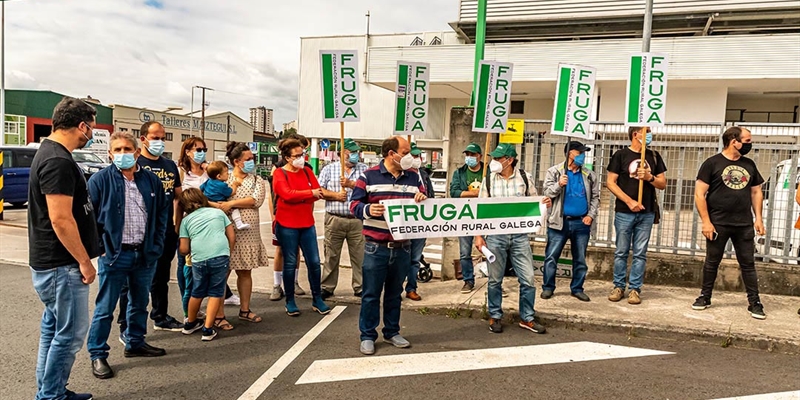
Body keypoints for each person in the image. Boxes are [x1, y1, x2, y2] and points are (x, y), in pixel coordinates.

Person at [28, 97, 100, 400]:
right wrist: (84, 261)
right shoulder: (57, 160)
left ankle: (50, 391)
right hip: (61, 265)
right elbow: (60, 219)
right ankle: (52, 396)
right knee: (69, 335)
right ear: (82, 126)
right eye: (91, 128)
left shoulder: (51, 153)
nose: (91, 134)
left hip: (51, 264)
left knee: (53, 330)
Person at [86, 132, 169, 379]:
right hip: (114, 254)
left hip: (144, 254)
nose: (123, 154)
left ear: (136, 152)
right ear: (110, 154)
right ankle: (98, 354)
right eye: (118, 150)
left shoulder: (151, 181)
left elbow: (161, 214)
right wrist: (101, 247)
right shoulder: (99, 181)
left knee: (139, 302)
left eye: (127, 149)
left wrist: (156, 244)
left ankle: (135, 342)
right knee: (105, 307)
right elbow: (90, 220)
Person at [350, 136, 427, 356]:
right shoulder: (368, 176)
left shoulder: (413, 177)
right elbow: (354, 204)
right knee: (371, 294)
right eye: (405, 152)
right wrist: (367, 210)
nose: (409, 157)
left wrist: (422, 197)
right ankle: (367, 335)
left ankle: (392, 331)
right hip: (376, 247)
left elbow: (425, 199)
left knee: (395, 293)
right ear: (391, 154)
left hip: (402, 246)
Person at [117, 121, 183, 342]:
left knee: (161, 277)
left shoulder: (170, 165)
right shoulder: (136, 164)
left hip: (164, 232)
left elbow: (178, 195)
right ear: (143, 139)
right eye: (155, 137)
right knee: (132, 281)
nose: (160, 142)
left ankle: (160, 315)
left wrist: (176, 224)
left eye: (163, 137)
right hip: (137, 233)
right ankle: (125, 325)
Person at [692, 127, 767, 319]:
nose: (750, 145)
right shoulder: (712, 163)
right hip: (718, 223)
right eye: (747, 141)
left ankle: (754, 302)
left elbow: (756, 191)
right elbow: (700, 194)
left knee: (748, 263)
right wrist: (706, 222)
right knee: (712, 262)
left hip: (743, 224)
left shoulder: (749, 164)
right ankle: (704, 296)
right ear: (734, 141)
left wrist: (758, 218)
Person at [474, 143, 547, 334]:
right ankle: (495, 316)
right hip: (496, 237)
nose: (494, 162)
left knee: (528, 278)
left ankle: (527, 318)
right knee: (494, 279)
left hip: (520, 236)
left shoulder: (524, 178)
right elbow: (480, 210)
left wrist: (543, 203)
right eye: (494, 158)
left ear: (510, 160)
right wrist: (478, 236)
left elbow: (534, 202)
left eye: (498, 158)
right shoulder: (489, 180)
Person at [175, 137, 236, 332]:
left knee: (204, 280)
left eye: (204, 149)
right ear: (187, 151)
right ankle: (191, 315)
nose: (201, 152)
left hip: (210, 227)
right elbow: (182, 201)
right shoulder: (181, 173)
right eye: (197, 149)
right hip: (190, 227)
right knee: (188, 273)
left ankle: (210, 317)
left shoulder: (210, 171)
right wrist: (177, 227)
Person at [605, 126, 667, 305]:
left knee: (640, 253)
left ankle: (635, 289)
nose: (649, 135)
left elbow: (662, 183)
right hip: (625, 212)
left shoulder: (654, 156)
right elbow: (611, 182)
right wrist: (629, 201)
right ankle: (618, 286)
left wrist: (649, 178)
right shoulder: (620, 155)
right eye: (646, 131)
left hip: (646, 212)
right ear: (635, 134)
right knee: (621, 251)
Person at [272, 138, 331, 316]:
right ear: (287, 157)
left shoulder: (306, 171)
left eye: (302, 154)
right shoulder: (280, 173)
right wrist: (308, 194)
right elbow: (286, 194)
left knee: (314, 261)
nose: (301, 158)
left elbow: (317, 192)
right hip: (287, 224)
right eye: (297, 155)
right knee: (290, 262)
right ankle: (290, 300)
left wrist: (304, 195)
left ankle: (317, 298)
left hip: (307, 223)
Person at [540, 142, 600, 302]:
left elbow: (595, 197)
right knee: (551, 256)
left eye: (584, 152)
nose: (582, 155)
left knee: (579, 258)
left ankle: (577, 288)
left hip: (581, 223)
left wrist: (591, 215)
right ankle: (548, 287)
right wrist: (559, 184)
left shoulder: (589, 175)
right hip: (559, 222)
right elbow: (546, 193)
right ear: (570, 153)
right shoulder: (554, 172)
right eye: (579, 152)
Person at [179, 188, 236, 341]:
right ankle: (208, 329)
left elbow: (184, 249)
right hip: (220, 255)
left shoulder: (186, 220)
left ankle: (190, 323)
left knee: (197, 291)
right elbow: (231, 235)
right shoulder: (218, 213)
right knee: (216, 292)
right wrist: (228, 252)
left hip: (198, 258)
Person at [225, 141, 269, 324]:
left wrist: (231, 203)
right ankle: (217, 314)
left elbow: (255, 201)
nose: (252, 161)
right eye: (248, 159)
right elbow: (216, 197)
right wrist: (227, 203)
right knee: (222, 274)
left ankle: (245, 309)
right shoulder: (224, 178)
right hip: (226, 234)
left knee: (245, 273)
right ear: (237, 161)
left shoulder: (257, 180)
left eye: (253, 158)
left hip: (249, 235)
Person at [318, 138, 366, 299]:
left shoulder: (365, 170)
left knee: (359, 256)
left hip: (357, 220)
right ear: (341, 154)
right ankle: (327, 286)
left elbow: (370, 192)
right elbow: (319, 191)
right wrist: (335, 195)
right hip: (334, 218)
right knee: (331, 254)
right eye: (351, 152)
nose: (355, 155)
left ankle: (360, 286)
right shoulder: (329, 170)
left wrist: (352, 184)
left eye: (356, 152)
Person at [268, 133, 311, 300]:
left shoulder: (307, 168)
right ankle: (277, 284)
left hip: (302, 216)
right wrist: (274, 215)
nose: (302, 154)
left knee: (297, 250)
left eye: (303, 151)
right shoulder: (278, 168)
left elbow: (311, 193)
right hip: (282, 216)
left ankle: (293, 281)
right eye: (299, 151)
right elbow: (274, 195)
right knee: (281, 249)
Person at [449, 142, 484, 294]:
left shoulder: (488, 171)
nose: (469, 157)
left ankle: (496, 282)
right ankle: (468, 280)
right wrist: (475, 194)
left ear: (479, 156)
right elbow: (454, 192)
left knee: (492, 249)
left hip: (485, 215)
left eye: (473, 155)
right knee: (464, 251)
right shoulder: (459, 173)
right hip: (466, 215)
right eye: (467, 155)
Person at [405, 142, 435, 301]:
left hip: (421, 224)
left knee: (415, 259)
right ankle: (395, 289)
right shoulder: (401, 174)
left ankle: (411, 287)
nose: (417, 158)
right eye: (414, 155)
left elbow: (431, 196)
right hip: (404, 223)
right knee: (400, 259)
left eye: (418, 155)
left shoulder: (423, 174)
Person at [200, 160, 249, 230]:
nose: (228, 174)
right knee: (234, 210)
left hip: (209, 205)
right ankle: (239, 223)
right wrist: (234, 185)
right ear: (219, 176)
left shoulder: (208, 181)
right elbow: (232, 192)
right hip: (220, 204)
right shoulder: (222, 185)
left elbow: (200, 189)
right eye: (226, 173)